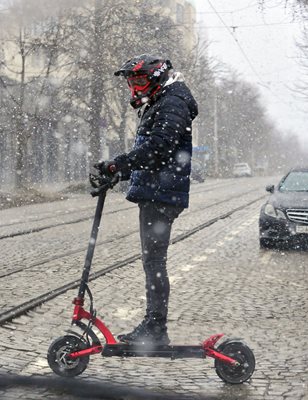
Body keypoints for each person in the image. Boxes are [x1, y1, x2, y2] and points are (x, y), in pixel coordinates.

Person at [95, 54, 198, 345]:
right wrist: (120, 173)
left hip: (161, 194)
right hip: (158, 190)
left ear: (156, 78)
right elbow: (154, 153)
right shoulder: (163, 100)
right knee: (153, 262)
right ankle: (154, 325)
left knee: (154, 262)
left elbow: (159, 149)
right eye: (131, 83)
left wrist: (120, 164)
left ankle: (156, 328)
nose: (134, 88)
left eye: (139, 81)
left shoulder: (172, 102)